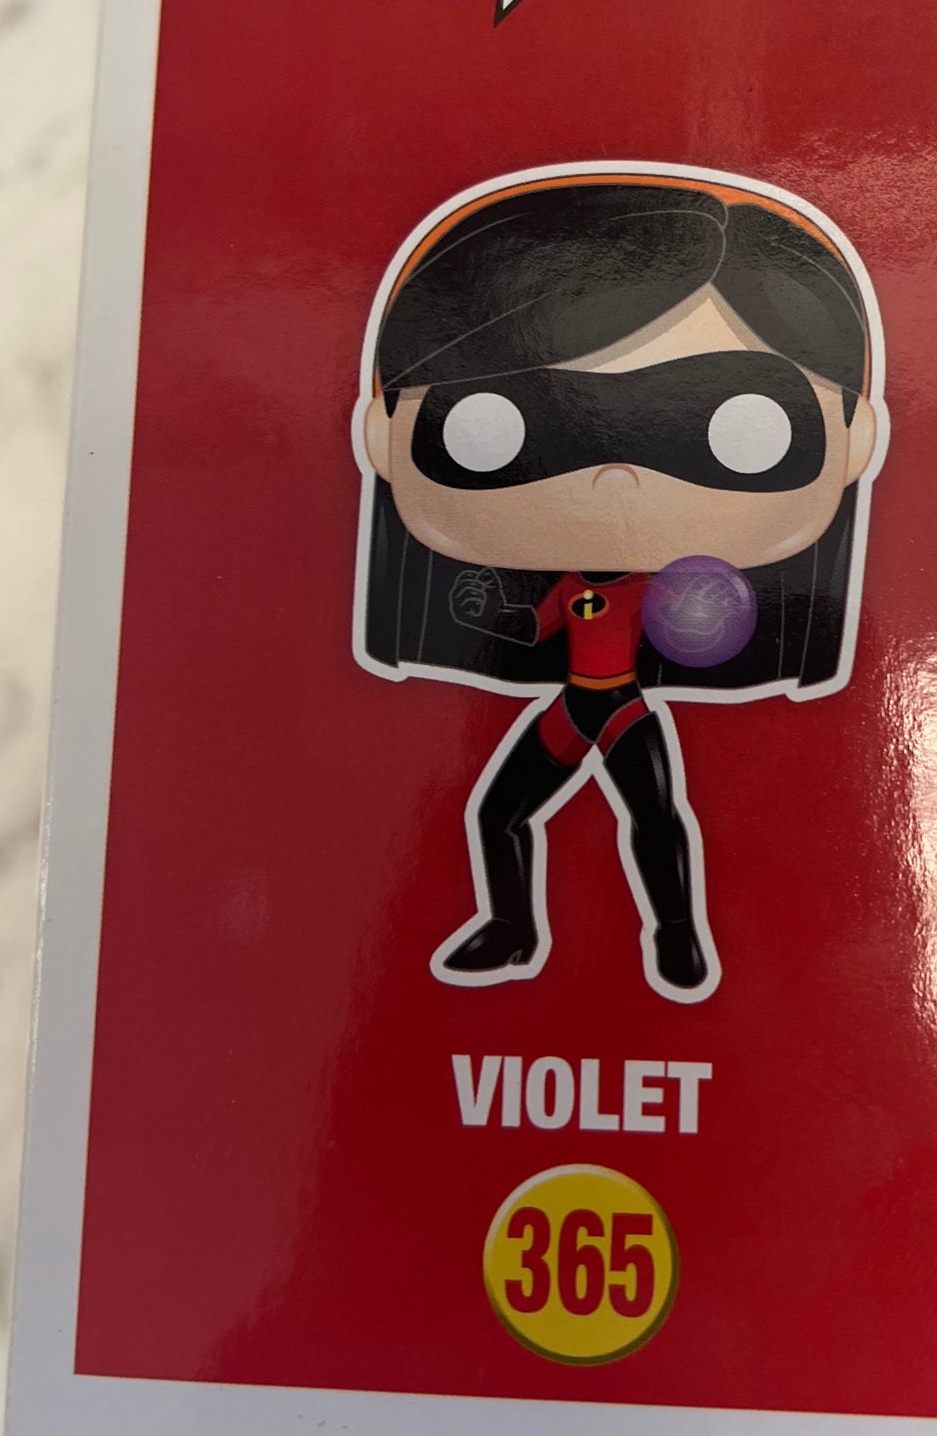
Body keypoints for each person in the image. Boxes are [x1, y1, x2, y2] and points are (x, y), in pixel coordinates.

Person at [354, 164, 887, 1004]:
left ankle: (675, 936)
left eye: (728, 423)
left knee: (655, 818)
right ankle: (511, 925)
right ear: (385, 430)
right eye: (509, 421)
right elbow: (539, 629)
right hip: (574, 706)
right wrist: (488, 614)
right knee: (500, 812)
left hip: (625, 710)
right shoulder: (574, 581)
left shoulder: (656, 588)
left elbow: (695, 623)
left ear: (853, 439)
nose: (612, 477)